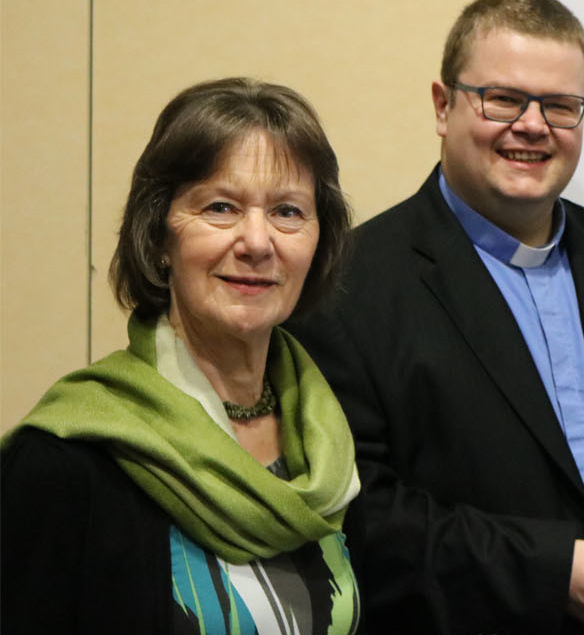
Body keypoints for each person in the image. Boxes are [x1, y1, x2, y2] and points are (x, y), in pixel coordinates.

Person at [285, 0, 584, 634]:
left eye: (561, 106)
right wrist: (544, 571)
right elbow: (357, 511)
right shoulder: (343, 286)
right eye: (504, 99)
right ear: (441, 105)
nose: (534, 125)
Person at [1, 78, 361, 634]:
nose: (258, 242)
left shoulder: (329, 441)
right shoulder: (68, 461)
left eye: (288, 212)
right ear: (159, 238)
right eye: (221, 207)